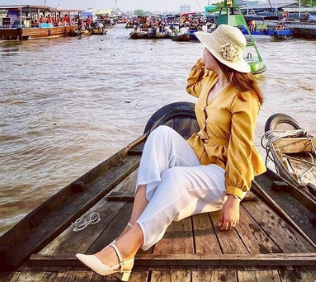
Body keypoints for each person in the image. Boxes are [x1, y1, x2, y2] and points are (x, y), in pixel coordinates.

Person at [76, 25, 265, 280]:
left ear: (218, 54)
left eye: (206, 46)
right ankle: (133, 225)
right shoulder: (211, 79)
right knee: (161, 134)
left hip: (223, 173)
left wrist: (234, 199)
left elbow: (242, 149)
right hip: (200, 155)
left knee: (175, 177)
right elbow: (191, 86)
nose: (201, 49)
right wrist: (204, 60)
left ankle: (124, 251)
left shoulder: (244, 97)